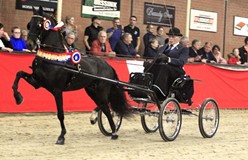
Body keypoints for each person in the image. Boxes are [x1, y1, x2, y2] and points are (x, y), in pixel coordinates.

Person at [144, 27, 189, 97]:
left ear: (179, 38)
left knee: (165, 67)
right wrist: (150, 62)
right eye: (169, 36)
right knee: (150, 66)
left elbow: (181, 62)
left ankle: (159, 89)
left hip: (176, 70)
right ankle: (145, 86)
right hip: (163, 68)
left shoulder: (183, 49)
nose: (170, 38)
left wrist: (168, 59)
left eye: (173, 37)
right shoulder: (163, 47)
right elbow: (157, 58)